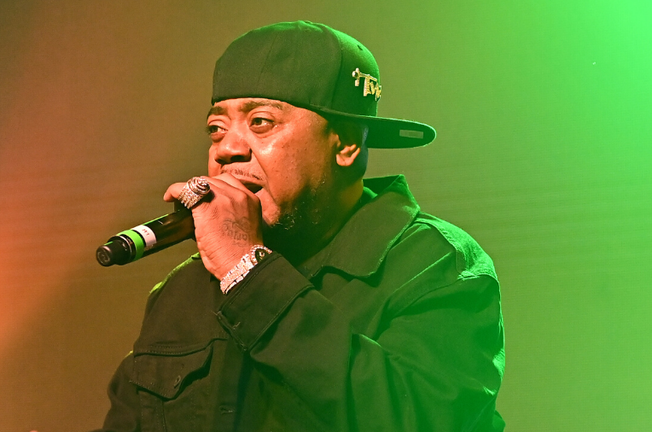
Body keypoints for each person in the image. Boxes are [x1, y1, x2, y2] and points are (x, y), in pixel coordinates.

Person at [94, 21, 505, 432]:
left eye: (261, 122)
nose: (227, 149)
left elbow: (419, 419)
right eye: (216, 129)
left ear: (346, 143)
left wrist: (247, 272)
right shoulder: (184, 289)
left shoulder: (435, 266)